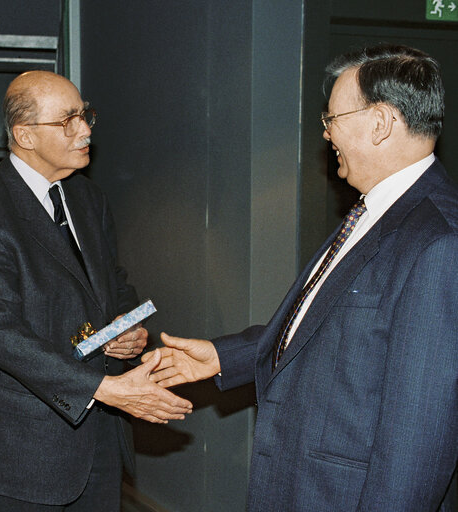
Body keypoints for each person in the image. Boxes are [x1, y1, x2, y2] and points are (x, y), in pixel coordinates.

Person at [146, 44, 458, 511]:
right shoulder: (375, 211)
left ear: (380, 123)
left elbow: (418, 436)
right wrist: (220, 357)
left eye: (331, 120)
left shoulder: (439, 242)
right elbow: (328, 333)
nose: (327, 135)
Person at [0, 70, 192, 511]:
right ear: (24, 136)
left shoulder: (88, 199)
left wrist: (126, 328)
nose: (86, 129)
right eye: (67, 120)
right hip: (15, 449)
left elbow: (114, 282)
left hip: (97, 440)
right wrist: (104, 389)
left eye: (85, 115)